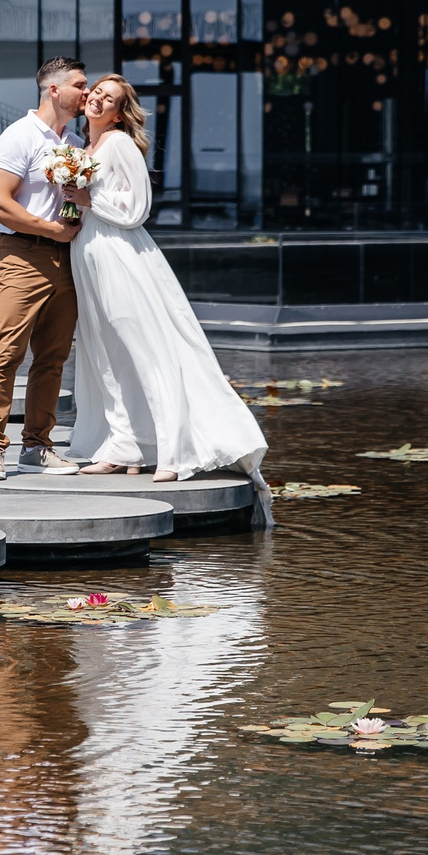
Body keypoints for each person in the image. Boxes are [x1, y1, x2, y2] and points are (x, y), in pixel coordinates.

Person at [66, 73, 272, 521]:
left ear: (121, 113)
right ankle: (125, 446)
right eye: (96, 93)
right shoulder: (85, 148)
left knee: (145, 350)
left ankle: (173, 449)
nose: (98, 100)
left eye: (110, 98)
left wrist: (87, 198)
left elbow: (138, 208)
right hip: (90, 253)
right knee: (105, 353)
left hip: (121, 256)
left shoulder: (119, 144)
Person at [0, 56, 90, 482]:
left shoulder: (76, 144)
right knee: (6, 353)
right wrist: (52, 229)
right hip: (22, 255)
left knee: (54, 358)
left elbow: (71, 205)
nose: (86, 92)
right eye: (80, 85)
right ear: (53, 90)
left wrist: (72, 222)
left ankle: (37, 445)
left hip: (66, 258)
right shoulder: (17, 137)